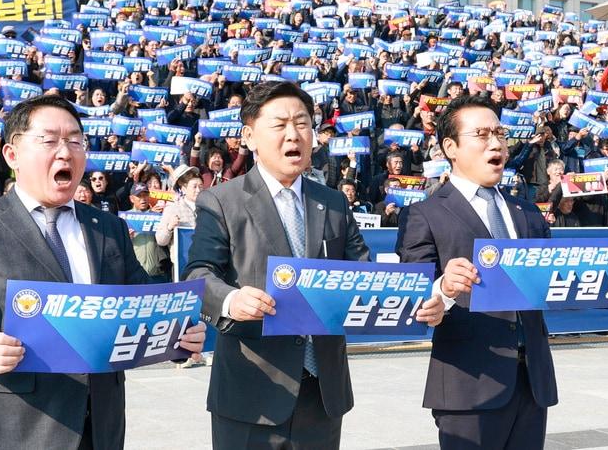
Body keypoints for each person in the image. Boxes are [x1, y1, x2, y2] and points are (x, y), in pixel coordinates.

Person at [0, 96, 205, 449]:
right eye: (49, 140)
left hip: (100, 423)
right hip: (18, 424)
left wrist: (180, 333)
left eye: (75, 141)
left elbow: (143, 301)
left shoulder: (109, 228)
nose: (66, 152)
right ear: (12, 155)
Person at [184, 82, 443, 448]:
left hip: (323, 392)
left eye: (303, 123)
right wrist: (231, 301)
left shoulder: (334, 202)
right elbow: (198, 273)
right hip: (252, 390)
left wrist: (420, 301)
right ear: (250, 136)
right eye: (280, 124)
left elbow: (366, 277)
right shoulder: (222, 201)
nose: (294, 134)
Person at [396, 96, 608, 449]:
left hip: (531, 382)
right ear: (451, 147)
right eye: (481, 134)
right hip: (470, 384)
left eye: (499, 133)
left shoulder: (527, 212)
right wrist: (444, 288)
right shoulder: (424, 214)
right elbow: (412, 297)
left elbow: (555, 281)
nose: (495, 143)